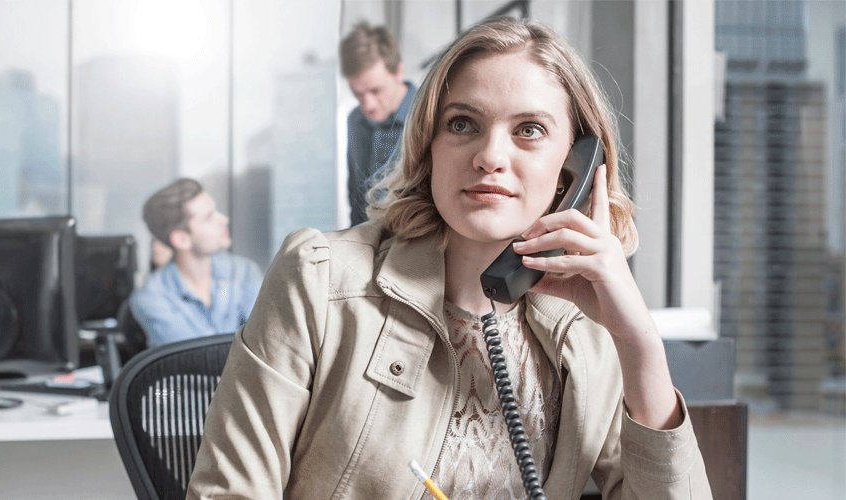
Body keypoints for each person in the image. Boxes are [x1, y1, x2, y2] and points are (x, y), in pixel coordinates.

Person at [187, 17, 711, 500]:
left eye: (529, 130)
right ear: (429, 144)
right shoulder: (319, 280)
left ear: (574, 169)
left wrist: (639, 344)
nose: (490, 156)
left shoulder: (586, 329)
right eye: (463, 124)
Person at [129, 178, 263, 347]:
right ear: (182, 239)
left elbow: (266, 342)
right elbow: (195, 360)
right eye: (209, 217)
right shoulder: (151, 297)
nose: (223, 220)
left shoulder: (243, 271)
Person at [340, 21, 418, 227]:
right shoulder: (355, 120)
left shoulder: (429, 115)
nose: (368, 104)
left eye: (375, 91)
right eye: (357, 93)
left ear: (398, 72)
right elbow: (355, 195)